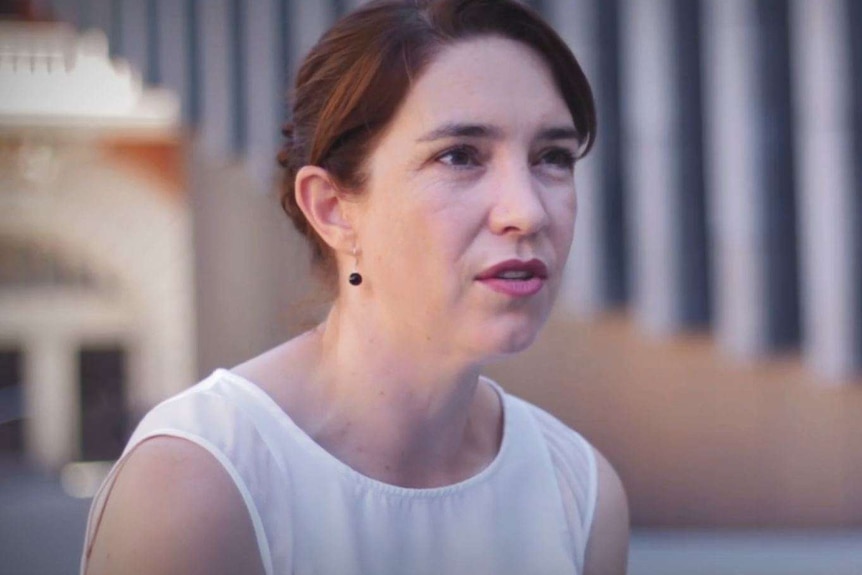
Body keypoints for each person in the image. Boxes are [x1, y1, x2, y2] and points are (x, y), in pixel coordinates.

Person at [81, 0, 629, 573]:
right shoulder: (200, 484)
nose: (528, 211)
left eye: (553, 157)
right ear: (334, 208)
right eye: (460, 156)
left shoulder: (580, 493)